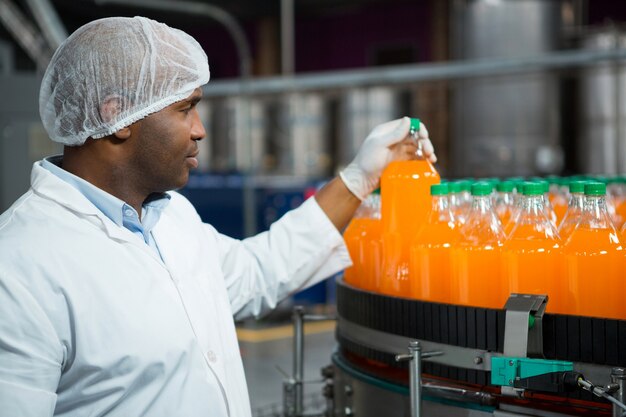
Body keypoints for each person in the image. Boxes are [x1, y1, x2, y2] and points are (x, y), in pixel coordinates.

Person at [0, 16, 436, 417]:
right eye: (185, 108)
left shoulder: (172, 219)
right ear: (118, 116)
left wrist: (360, 177)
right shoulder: (20, 266)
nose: (199, 129)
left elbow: (260, 269)